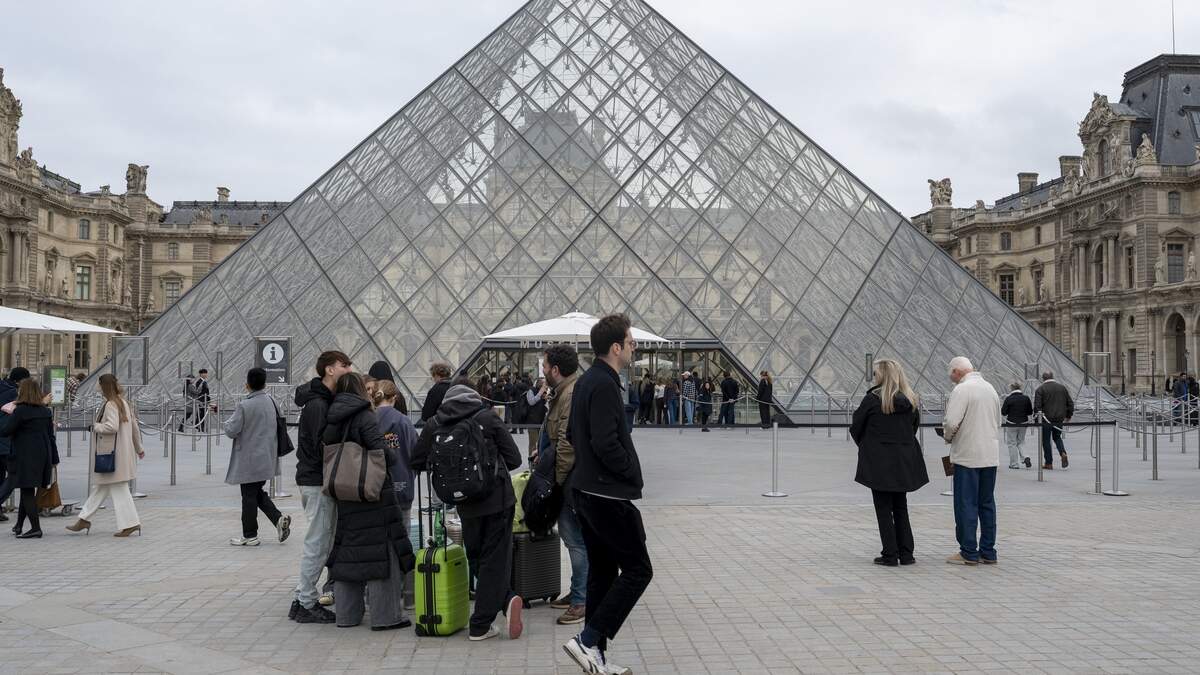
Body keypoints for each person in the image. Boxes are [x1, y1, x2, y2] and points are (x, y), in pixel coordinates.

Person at [562, 314, 650, 675]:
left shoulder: (585, 382)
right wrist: (629, 469)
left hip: (585, 491)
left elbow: (570, 435)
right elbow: (605, 441)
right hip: (607, 496)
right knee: (637, 571)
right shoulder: (604, 385)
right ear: (616, 347)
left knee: (602, 572)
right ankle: (588, 639)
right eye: (630, 342)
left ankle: (594, 653)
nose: (633, 347)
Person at [413, 383, 523, 642]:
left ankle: (504, 600)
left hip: (464, 503)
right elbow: (515, 459)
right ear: (475, 397)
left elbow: (415, 461)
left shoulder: (434, 423)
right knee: (494, 559)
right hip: (497, 499)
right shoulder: (487, 417)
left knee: (475, 556)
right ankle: (481, 624)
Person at [323, 372, 415, 631]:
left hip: (344, 489)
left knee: (348, 551)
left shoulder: (332, 417)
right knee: (382, 552)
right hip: (372, 491)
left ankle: (347, 615)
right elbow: (380, 452)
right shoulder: (365, 415)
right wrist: (392, 458)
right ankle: (386, 616)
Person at [289, 350, 353, 624]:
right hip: (317, 480)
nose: (349, 369)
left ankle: (301, 599)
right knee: (318, 542)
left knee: (321, 540)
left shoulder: (321, 400)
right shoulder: (318, 405)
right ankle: (305, 602)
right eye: (344, 365)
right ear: (329, 370)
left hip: (315, 479)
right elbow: (318, 447)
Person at [849, 359, 928, 566]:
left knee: (883, 508)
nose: (874, 377)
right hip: (904, 460)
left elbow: (856, 427)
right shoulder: (910, 400)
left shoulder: (873, 400)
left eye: (876, 374)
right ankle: (907, 554)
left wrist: (869, 445)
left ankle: (890, 554)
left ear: (882, 376)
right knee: (901, 506)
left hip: (880, 461)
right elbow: (913, 428)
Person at [538, 344, 587, 626]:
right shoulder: (563, 392)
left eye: (544, 367)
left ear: (555, 370)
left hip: (568, 478)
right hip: (565, 474)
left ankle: (580, 601)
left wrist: (556, 481)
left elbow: (567, 443)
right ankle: (578, 592)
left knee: (575, 540)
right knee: (574, 540)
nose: (543, 372)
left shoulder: (569, 395)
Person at [941, 357, 1000, 566]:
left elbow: (951, 422)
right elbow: (998, 422)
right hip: (990, 456)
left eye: (952, 376)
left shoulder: (962, 390)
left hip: (967, 455)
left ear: (957, 371)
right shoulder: (990, 388)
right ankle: (988, 551)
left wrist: (948, 437)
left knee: (966, 504)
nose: (952, 380)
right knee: (987, 504)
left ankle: (968, 551)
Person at [69, 374, 144, 538]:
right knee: (101, 488)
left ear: (104, 387)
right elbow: (135, 428)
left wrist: (95, 426)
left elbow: (111, 427)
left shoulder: (110, 405)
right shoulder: (124, 402)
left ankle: (130, 524)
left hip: (112, 455)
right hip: (122, 454)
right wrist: (139, 448)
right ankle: (83, 519)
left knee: (119, 489)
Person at [224, 368, 290, 547]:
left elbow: (231, 430)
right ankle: (278, 519)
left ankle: (250, 535)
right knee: (256, 492)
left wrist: (225, 422)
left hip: (249, 459)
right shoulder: (272, 401)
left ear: (247, 385)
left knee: (248, 496)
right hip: (268, 456)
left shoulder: (245, 405)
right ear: (265, 383)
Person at [0, 379, 58, 538]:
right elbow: (50, 436)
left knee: (26, 491)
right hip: (42, 455)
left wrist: (7, 412)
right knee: (29, 489)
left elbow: (5, 430)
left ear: (22, 392)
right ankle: (19, 525)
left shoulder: (20, 411)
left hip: (25, 455)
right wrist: (55, 458)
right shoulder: (45, 411)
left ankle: (35, 528)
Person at [0, 366, 31, 522]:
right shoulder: (15, 394)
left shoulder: (2, 387)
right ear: (20, 381)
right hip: (6, 440)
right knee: (14, 476)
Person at [1032, 371, 1073, 471]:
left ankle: (1049, 463)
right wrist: (1068, 415)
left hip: (1045, 419)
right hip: (1059, 418)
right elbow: (1070, 403)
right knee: (1057, 437)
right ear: (1052, 377)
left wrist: (1037, 421)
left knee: (1046, 441)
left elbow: (1037, 407)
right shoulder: (1062, 388)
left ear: (1043, 378)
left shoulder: (1040, 389)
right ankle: (1062, 452)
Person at [1001, 382, 1034, 470]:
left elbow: (1003, 412)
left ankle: (1014, 464)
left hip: (1011, 423)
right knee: (1021, 441)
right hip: (1023, 422)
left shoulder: (1009, 399)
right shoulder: (1026, 398)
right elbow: (1030, 412)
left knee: (1012, 443)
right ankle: (1026, 457)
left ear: (1011, 388)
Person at [525, 377, 548, 460]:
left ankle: (539, 460)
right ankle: (531, 460)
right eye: (542, 383)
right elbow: (531, 402)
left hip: (541, 420)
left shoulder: (544, 392)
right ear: (538, 383)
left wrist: (546, 398)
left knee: (541, 442)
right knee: (533, 442)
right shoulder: (531, 390)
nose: (544, 385)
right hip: (532, 420)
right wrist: (540, 393)